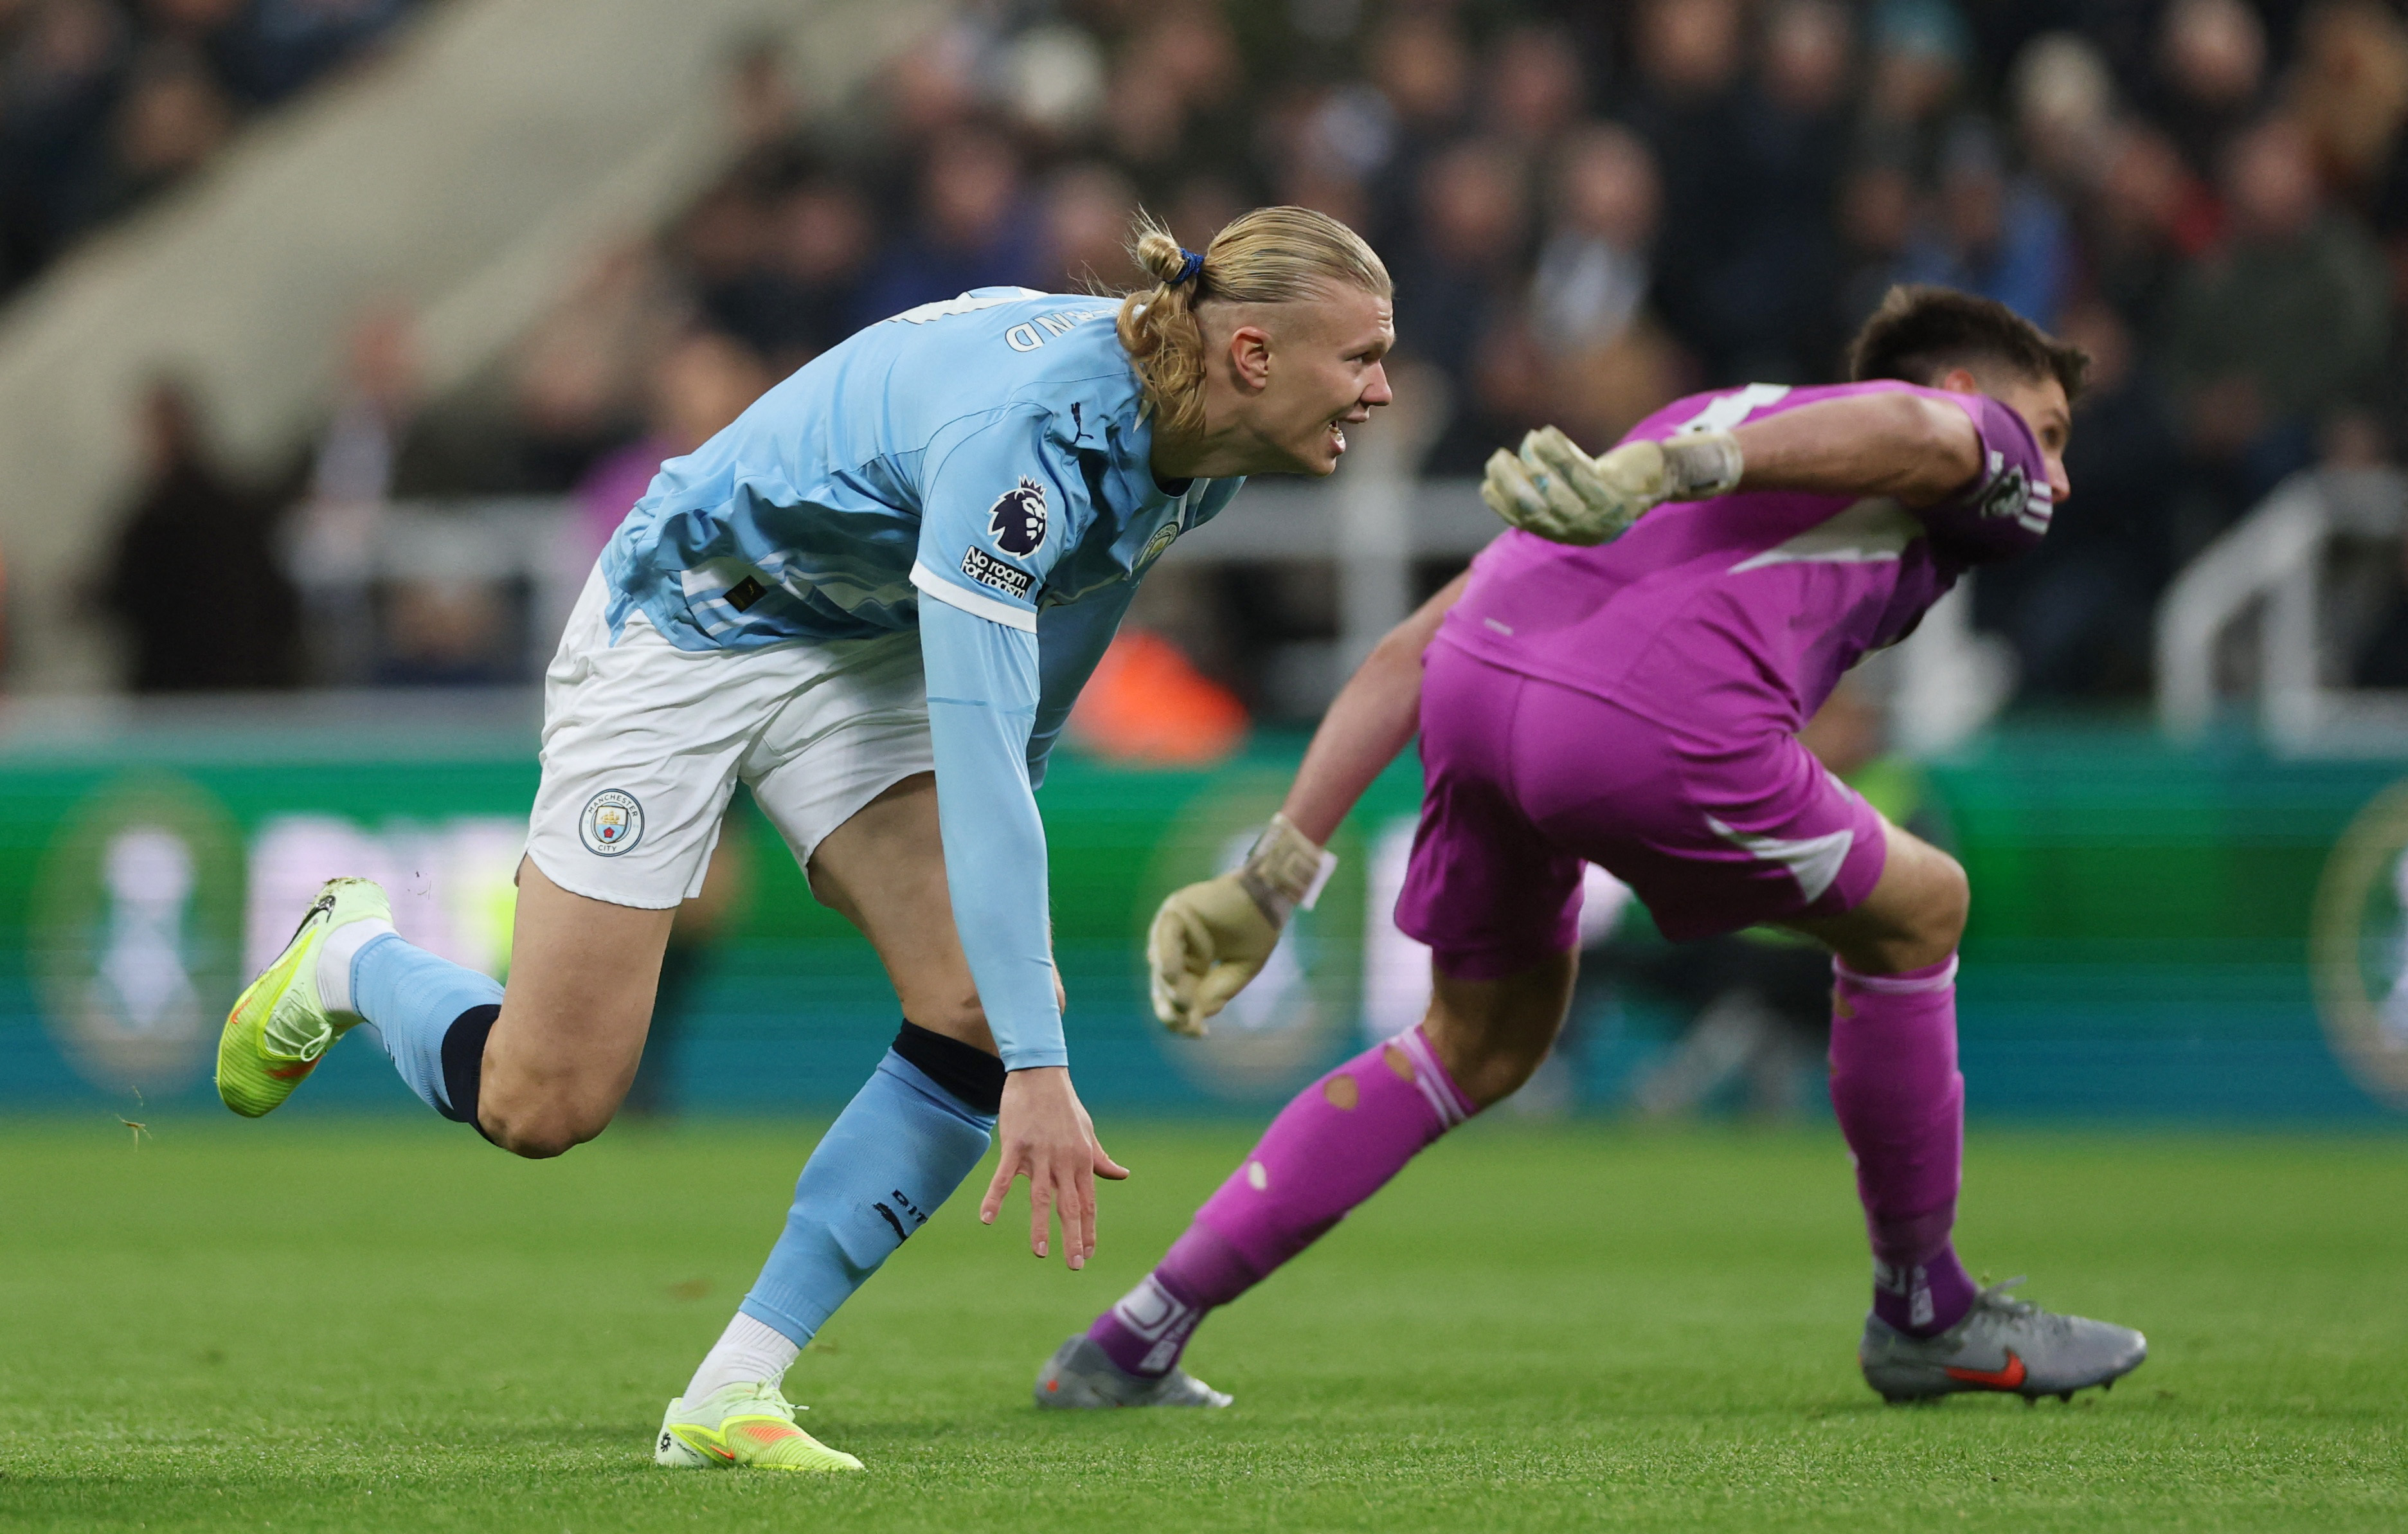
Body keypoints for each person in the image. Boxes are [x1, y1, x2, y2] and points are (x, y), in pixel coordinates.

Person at [211, 206, 1398, 1470]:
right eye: (1362, 357)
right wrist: (1039, 1069)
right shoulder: (1028, 438)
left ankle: (731, 1390)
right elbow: (984, 762)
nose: (1380, 390)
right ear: (1253, 353)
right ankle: (351, 955)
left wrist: (1013, 999)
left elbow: (1053, 666)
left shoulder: (1200, 445)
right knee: (543, 1100)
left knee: (979, 997)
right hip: (686, 617)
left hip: (859, 645)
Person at [1037, 284, 2148, 1411]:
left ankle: (1132, 1338)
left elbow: (1412, 645)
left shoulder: (1697, 417)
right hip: (1642, 720)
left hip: (1477, 683)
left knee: (1474, 1045)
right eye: (2046, 431)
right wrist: (1678, 470)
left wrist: (1274, 875)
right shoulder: (1874, 435)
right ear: (1962, 390)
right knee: (1923, 905)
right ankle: (1924, 1312)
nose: (2052, 475)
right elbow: (1922, 431)